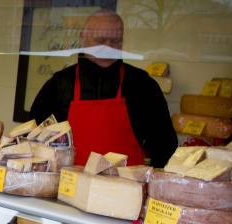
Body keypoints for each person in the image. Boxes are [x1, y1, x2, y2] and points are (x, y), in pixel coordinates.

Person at [29, 9, 177, 167]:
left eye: (115, 41)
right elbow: (32, 141)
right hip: (69, 187)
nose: (108, 47)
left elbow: (165, 149)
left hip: (125, 188)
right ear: (83, 39)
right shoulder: (60, 84)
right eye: (100, 40)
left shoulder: (142, 85)